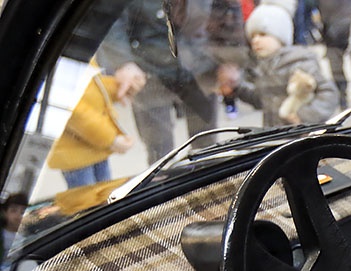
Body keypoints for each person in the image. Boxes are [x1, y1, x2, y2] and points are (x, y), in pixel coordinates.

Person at [96, 0, 242, 164]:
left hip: (201, 62)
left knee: (207, 146)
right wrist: (123, 62)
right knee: (160, 152)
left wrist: (230, 58)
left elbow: (227, 9)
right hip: (148, 67)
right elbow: (112, 16)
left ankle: (207, 183)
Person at [217, 3, 339, 126]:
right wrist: (237, 87)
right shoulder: (263, 66)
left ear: (281, 36)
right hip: (275, 135)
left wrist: (303, 115)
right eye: (252, 36)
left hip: (302, 136)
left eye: (263, 34)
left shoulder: (298, 63)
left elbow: (329, 93)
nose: (256, 40)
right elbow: (261, 99)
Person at [46, 68, 143, 188]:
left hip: (95, 149)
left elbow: (92, 87)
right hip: (75, 154)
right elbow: (73, 110)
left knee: (105, 194)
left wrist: (117, 87)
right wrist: (109, 138)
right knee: (88, 201)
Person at [0, 193, 27, 271]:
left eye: (22, 212)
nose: (18, 216)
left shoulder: (27, 238)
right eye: (13, 211)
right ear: (4, 213)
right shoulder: (2, 236)